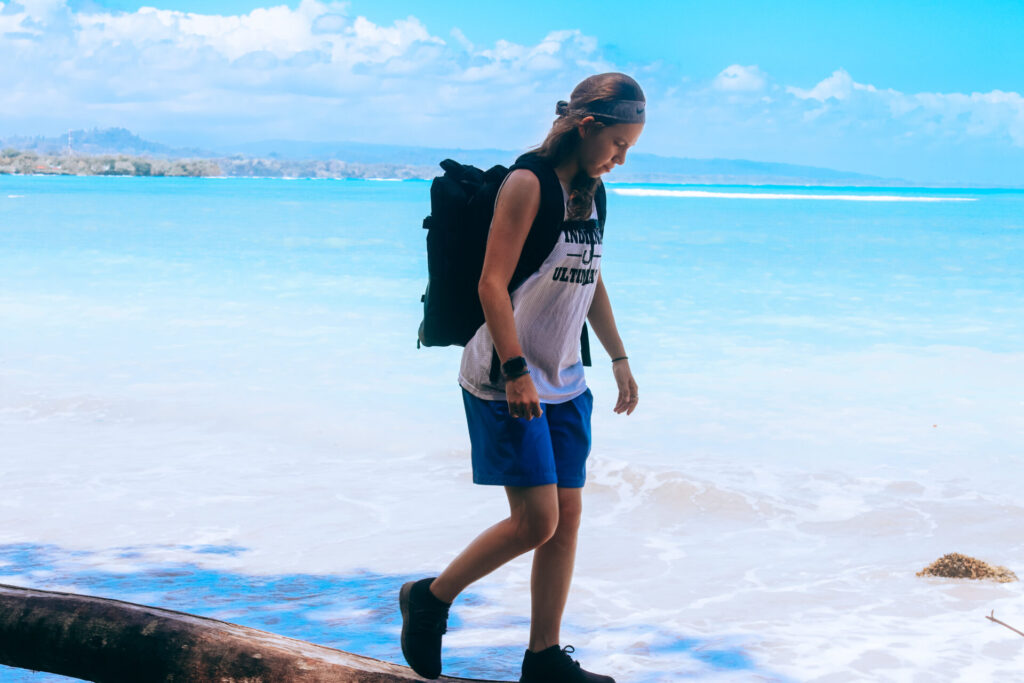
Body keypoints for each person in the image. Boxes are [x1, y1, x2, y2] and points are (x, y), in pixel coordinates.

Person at [401, 72, 644, 683]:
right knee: (537, 522)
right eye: (617, 144)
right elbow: (491, 282)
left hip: (563, 380)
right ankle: (429, 598)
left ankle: (543, 659)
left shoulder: (592, 190)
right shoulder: (527, 183)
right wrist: (514, 371)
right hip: (503, 376)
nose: (621, 158)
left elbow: (589, 278)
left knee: (564, 521)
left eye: (629, 148)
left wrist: (619, 359)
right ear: (587, 126)